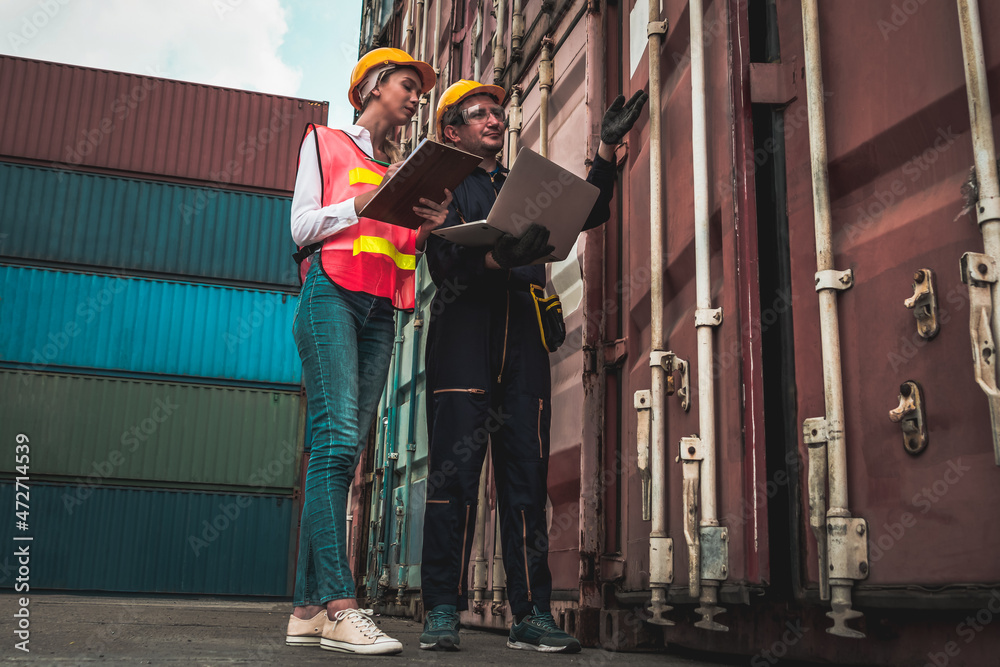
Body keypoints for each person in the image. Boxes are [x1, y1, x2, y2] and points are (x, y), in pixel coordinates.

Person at [418, 80, 648, 653]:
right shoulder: (442, 185)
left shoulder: (523, 185)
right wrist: (498, 256)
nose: (494, 120)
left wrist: (603, 152)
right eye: (478, 114)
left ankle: (532, 615)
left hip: (522, 345)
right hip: (462, 343)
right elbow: (446, 264)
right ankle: (442, 608)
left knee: (525, 483)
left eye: (498, 112)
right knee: (454, 485)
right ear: (452, 129)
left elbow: (588, 211)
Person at [283, 47, 452, 656]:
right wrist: (360, 203)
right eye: (407, 85)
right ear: (374, 86)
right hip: (330, 297)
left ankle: (305, 609)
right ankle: (339, 604)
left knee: (344, 454)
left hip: (382, 311)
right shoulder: (325, 143)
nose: (415, 97)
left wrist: (426, 227)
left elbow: (399, 251)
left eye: (417, 89)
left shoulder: (407, 168)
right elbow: (302, 228)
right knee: (333, 447)